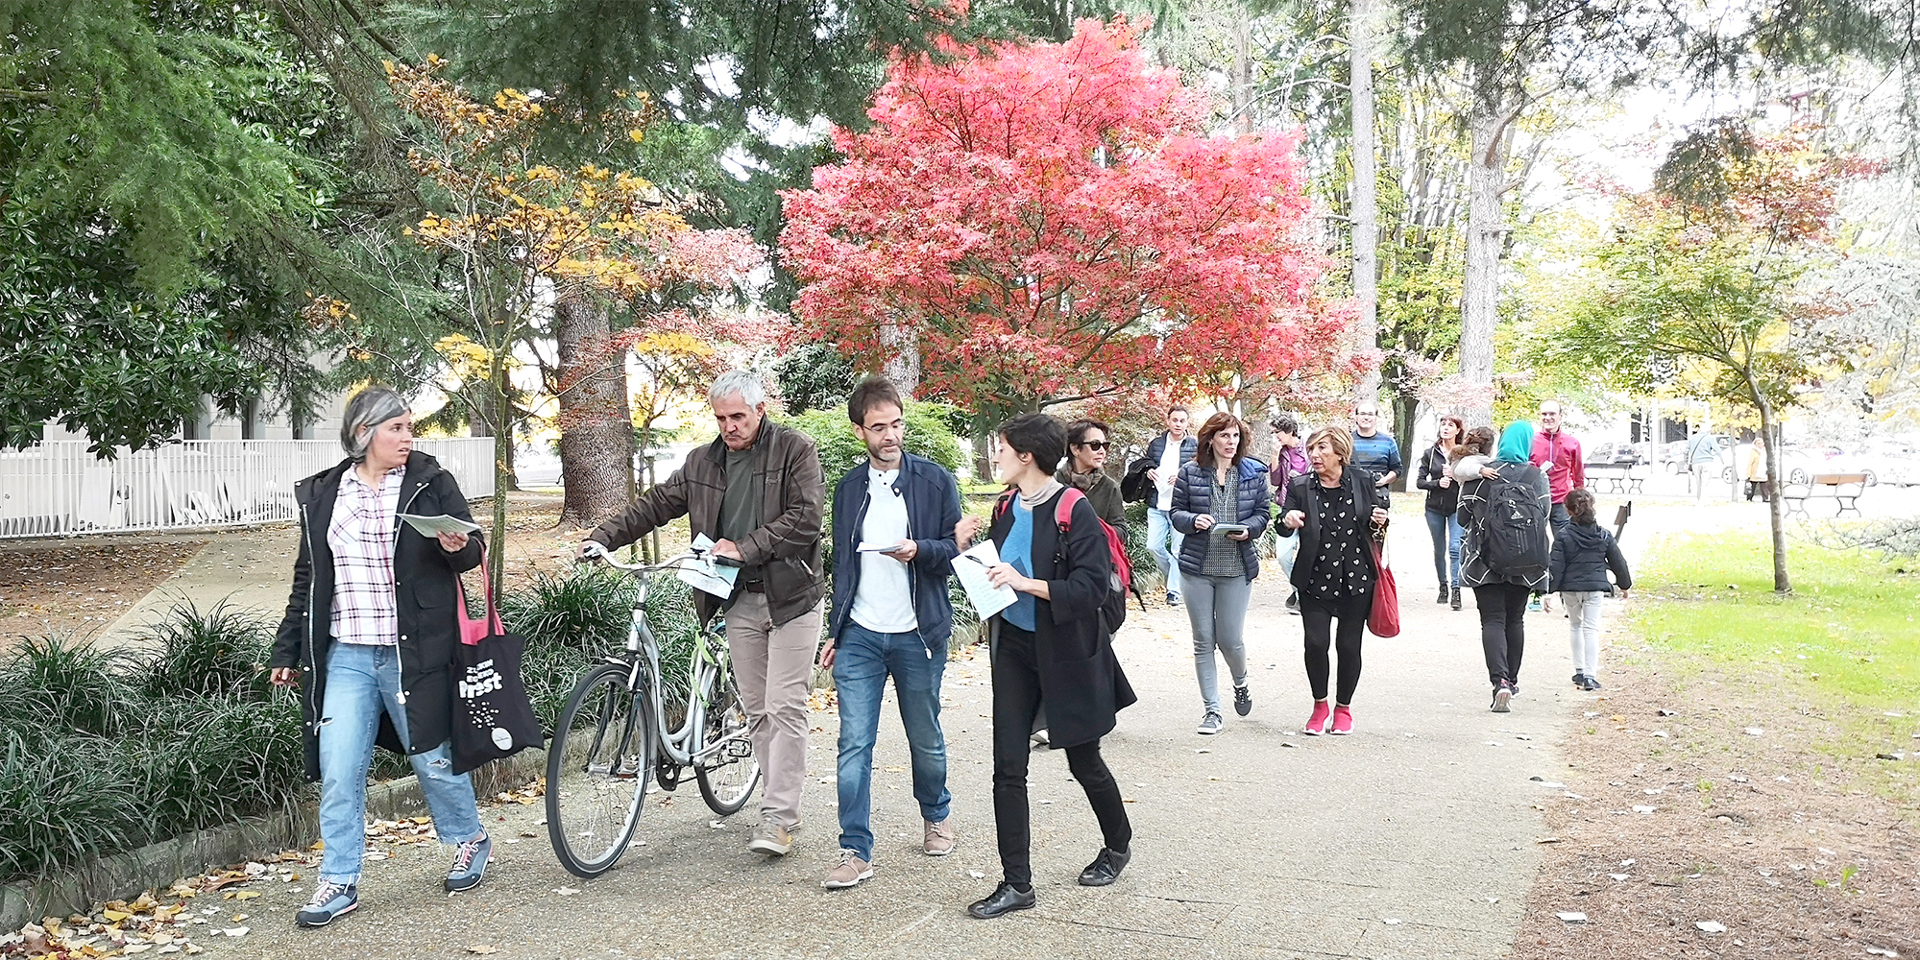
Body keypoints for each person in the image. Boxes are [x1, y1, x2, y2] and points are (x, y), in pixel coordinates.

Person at [270, 386, 490, 928]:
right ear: (364, 433)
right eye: (396, 428)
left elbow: (475, 549)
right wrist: (289, 646)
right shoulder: (326, 494)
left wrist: (455, 547)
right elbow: (310, 577)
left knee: (432, 759)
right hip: (345, 652)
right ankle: (340, 879)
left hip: (410, 649)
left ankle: (469, 838)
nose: (407, 437)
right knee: (339, 768)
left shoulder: (430, 482)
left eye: (410, 427)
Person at [581, 370, 826, 858]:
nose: (729, 426)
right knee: (756, 711)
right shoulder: (701, 462)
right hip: (736, 600)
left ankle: (778, 818)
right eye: (720, 418)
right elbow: (655, 506)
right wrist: (604, 537)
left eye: (737, 416)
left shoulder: (794, 449)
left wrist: (744, 547)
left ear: (760, 410)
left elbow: (806, 517)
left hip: (793, 597)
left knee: (784, 706)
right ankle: (774, 804)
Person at [967, 414, 1136, 920]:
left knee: (1083, 761)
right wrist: (965, 548)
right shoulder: (1004, 505)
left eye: (1000, 448)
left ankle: (1118, 843)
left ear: (1025, 456)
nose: (994, 456)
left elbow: (1088, 588)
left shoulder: (1072, 507)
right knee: (1006, 766)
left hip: (1067, 653)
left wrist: (1026, 584)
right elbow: (996, 569)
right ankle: (1017, 883)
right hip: (1015, 650)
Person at [819, 377, 976, 889]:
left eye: (896, 424)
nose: (890, 435)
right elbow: (843, 564)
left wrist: (919, 551)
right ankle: (854, 849)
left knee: (924, 737)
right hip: (861, 634)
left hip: (918, 634)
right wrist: (835, 630)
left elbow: (956, 553)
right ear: (859, 429)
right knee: (852, 744)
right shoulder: (848, 488)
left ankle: (936, 813)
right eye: (879, 427)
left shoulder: (934, 481)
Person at [1276, 427, 1389, 737]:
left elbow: (1377, 520)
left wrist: (1380, 520)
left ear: (1340, 452)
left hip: (1357, 577)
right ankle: (1319, 705)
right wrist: (1287, 522)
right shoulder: (1301, 486)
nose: (1314, 454)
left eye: (1322, 448)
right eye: (1312, 448)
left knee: (1349, 646)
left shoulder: (1364, 481)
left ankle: (1343, 709)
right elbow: (1284, 522)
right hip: (1315, 576)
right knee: (1315, 643)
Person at [1170, 413, 1270, 735]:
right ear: (1210, 438)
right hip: (1197, 567)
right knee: (1203, 641)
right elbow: (1176, 513)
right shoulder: (1190, 472)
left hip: (1236, 568)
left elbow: (1263, 514)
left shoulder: (1252, 474)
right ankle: (1212, 711)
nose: (1231, 442)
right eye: (1225, 436)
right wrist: (1192, 521)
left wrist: (1248, 530)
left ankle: (1240, 682)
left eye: (1236, 436)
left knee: (1230, 640)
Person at [1456, 421, 1552, 713]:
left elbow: (1461, 516)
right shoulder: (1536, 476)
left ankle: (1499, 682)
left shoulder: (1482, 473)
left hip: (1484, 561)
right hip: (1524, 561)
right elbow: (1545, 514)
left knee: (1492, 620)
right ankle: (1513, 679)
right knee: (1515, 619)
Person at [1548, 488, 1633, 691]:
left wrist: (1549, 591)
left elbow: (1556, 565)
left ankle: (1578, 670)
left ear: (1568, 511)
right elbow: (1618, 562)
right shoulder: (1603, 535)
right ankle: (1590, 675)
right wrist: (1624, 585)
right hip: (1595, 588)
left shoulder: (1563, 536)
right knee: (1591, 629)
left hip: (1570, 588)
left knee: (1575, 626)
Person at [1142, 405, 1198, 606]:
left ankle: (1173, 591)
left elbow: (1202, 471)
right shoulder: (1156, 444)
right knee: (1153, 546)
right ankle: (1174, 580)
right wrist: (1149, 471)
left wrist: (1183, 477)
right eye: (1175, 420)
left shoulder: (1194, 445)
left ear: (1187, 422)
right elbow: (1146, 463)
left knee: (1177, 549)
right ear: (1168, 421)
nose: (1178, 424)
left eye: (1182, 420)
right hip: (1157, 502)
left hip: (1181, 506)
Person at [1417, 415, 1467, 611]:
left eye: (1450, 425)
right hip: (1434, 508)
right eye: (1443, 424)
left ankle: (1456, 589)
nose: (1445, 428)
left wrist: (1453, 476)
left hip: (1456, 507)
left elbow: (1470, 478)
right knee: (1440, 549)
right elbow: (1420, 481)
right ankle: (1443, 585)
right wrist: (1437, 483)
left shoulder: (1464, 454)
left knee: (1455, 547)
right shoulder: (1430, 453)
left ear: (1458, 430)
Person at [1268, 417, 1310, 615]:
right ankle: (1300, 591)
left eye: (1277, 432)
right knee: (1283, 555)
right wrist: (1275, 456)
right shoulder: (1281, 453)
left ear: (1290, 431)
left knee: (1308, 554)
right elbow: (1275, 481)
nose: (1275, 436)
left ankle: (1304, 598)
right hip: (1286, 507)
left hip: (1310, 508)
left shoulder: (1309, 449)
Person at [1059, 419, 1126, 530]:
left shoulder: (1109, 487)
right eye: (1095, 445)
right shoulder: (1055, 482)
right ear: (1075, 449)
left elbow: (1121, 531)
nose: (1102, 451)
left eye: (1105, 445)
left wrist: (1093, 530)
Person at [1530, 400, 1585, 530]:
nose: (1547, 418)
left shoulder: (1572, 443)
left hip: (1561, 501)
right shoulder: (1531, 440)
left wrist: (1580, 498)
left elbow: (1578, 474)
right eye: (1544, 414)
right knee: (1535, 544)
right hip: (1535, 500)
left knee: (1565, 541)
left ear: (1560, 415)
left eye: (1552, 414)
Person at [1350, 401, 1402, 490]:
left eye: (1370, 414)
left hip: (1378, 496)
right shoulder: (1346, 441)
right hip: (1350, 495)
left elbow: (1397, 469)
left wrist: (1385, 480)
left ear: (1376, 418)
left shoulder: (1388, 442)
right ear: (1356, 417)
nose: (1366, 417)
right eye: (1362, 414)